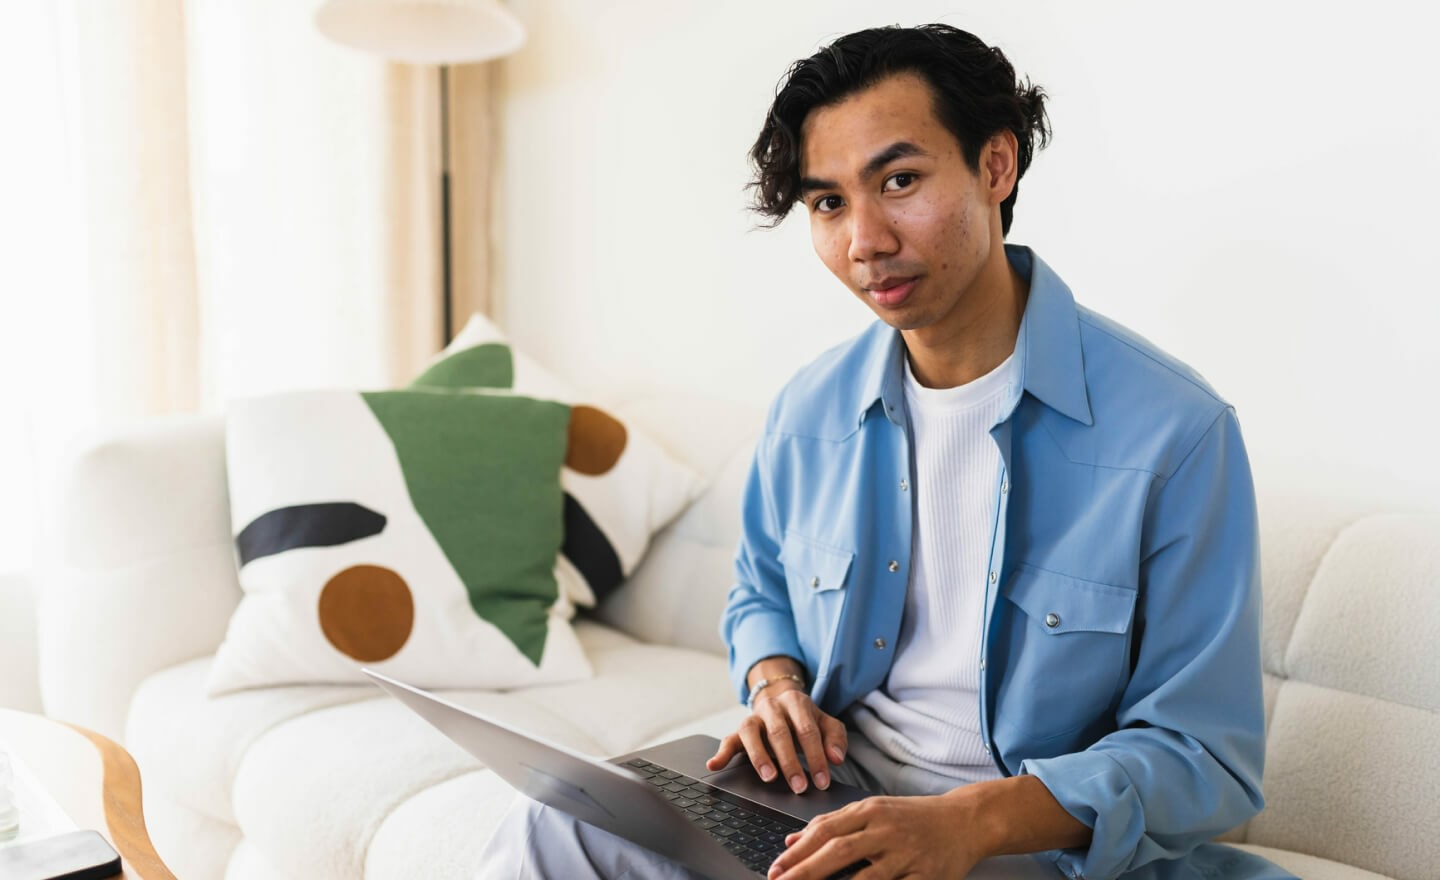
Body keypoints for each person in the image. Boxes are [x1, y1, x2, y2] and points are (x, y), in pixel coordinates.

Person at [481, 24, 1293, 879]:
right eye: (828, 203)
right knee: (556, 820)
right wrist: (775, 687)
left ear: (996, 166)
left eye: (899, 181)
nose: (865, 239)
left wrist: (969, 822)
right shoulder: (810, 411)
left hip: (1033, 845)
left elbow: (1203, 755)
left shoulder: (1174, 431)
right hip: (831, 803)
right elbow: (760, 593)